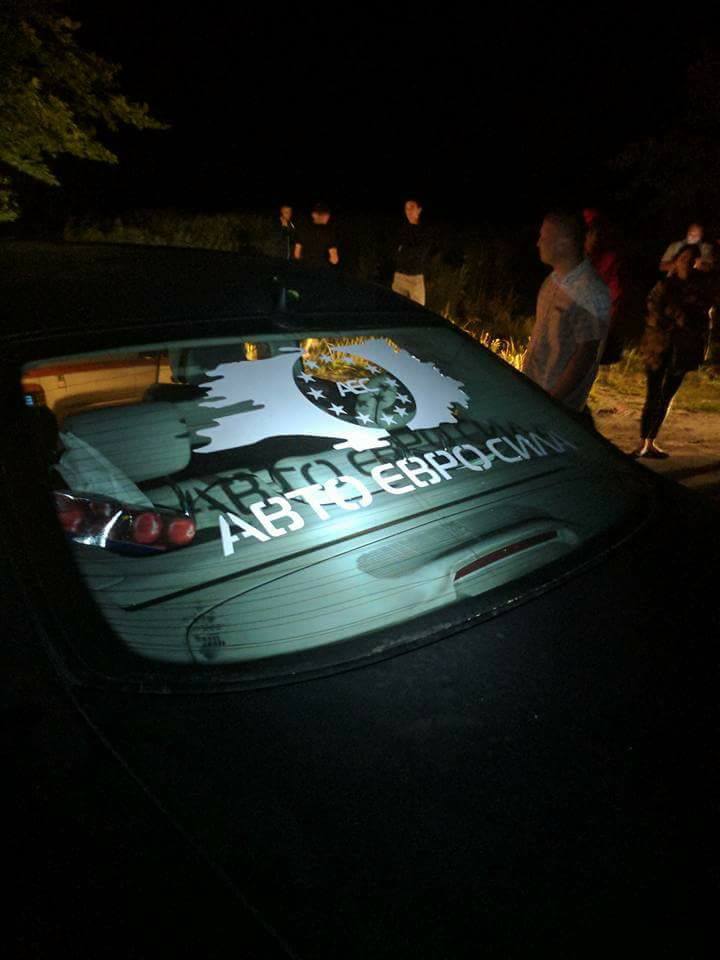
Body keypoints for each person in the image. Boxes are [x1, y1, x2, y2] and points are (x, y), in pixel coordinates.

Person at [523, 211, 610, 420]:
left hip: (556, 405)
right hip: (533, 390)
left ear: (563, 244)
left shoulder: (589, 292)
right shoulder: (552, 280)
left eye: (544, 237)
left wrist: (553, 401)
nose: (538, 243)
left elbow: (585, 354)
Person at [632, 243, 714, 458]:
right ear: (676, 261)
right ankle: (642, 441)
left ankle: (651, 441)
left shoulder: (701, 289)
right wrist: (675, 318)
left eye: (691, 259)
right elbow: (653, 310)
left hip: (684, 349)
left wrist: (688, 324)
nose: (686, 262)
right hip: (658, 347)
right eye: (683, 258)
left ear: (696, 263)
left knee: (667, 395)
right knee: (653, 393)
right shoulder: (664, 286)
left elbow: (703, 318)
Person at [392, 198, 432, 306]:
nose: (408, 211)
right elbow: (395, 250)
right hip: (400, 276)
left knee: (418, 310)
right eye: (406, 208)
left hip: (415, 277)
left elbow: (420, 253)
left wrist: (405, 251)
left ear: (419, 210)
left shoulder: (424, 230)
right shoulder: (402, 229)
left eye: (412, 207)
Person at [293, 203, 339, 268]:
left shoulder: (303, 230)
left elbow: (296, 254)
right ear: (327, 216)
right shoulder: (329, 233)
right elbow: (334, 260)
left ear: (313, 215)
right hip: (322, 270)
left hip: (304, 269)